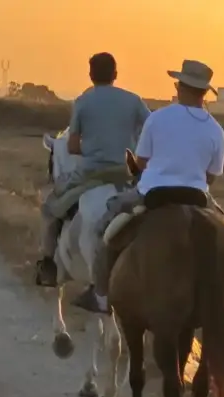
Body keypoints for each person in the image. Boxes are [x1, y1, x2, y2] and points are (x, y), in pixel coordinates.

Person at [70, 59, 224, 315]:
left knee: (104, 228)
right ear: (204, 92)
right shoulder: (216, 130)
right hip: (198, 197)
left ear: (181, 87)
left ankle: (100, 295)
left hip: (153, 193)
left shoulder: (159, 119)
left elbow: (141, 162)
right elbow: (211, 177)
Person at [35, 52, 151, 288]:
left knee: (50, 209)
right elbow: (152, 130)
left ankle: (48, 265)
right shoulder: (134, 100)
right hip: (127, 173)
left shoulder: (83, 101)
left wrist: (95, 147)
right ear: (115, 74)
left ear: (90, 75)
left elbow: (73, 145)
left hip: (91, 174)